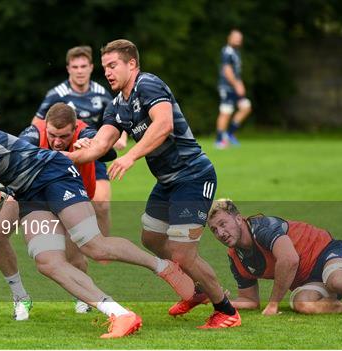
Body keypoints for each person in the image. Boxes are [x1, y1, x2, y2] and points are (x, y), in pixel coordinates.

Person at [0, 111, 196, 338]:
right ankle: (119, 313)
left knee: (93, 245)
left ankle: (163, 266)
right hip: (26, 193)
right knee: (47, 262)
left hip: (53, 173)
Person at [67, 39, 241, 329]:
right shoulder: (117, 106)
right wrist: (66, 155)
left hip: (193, 175)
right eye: (105, 67)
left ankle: (226, 310)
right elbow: (100, 145)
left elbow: (164, 124)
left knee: (183, 253)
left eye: (113, 66)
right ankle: (197, 289)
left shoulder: (148, 85)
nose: (107, 72)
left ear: (132, 64)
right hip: (167, 182)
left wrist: (131, 156)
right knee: (151, 238)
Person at [0, 102, 117, 320]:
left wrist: (92, 146)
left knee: (74, 257)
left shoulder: (85, 132)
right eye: (52, 135)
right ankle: (20, 297)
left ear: (74, 128)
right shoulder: (33, 133)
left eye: (64, 136)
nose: (57, 142)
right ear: (45, 126)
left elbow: (109, 152)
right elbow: (13, 158)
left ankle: (83, 297)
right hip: (31, 194)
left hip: (69, 196)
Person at [33, 45, 126, 238]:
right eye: (75, 67)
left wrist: (122, 137)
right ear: (68, 68)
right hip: (63, 154)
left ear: (91, 67)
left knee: (101, 204)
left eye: (83, 66)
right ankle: (74, 246)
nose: (80, 71)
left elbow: (117, 120)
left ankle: (105, 248)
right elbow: (37, 124)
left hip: (92, 151)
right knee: (66, 204)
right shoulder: (56, 94)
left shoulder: (101, 93)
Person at [207, 199, 342, 314]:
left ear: (238, 219)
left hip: (327, 253)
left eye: (223, 224)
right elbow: (249, 299)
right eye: (214, 230)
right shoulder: (235, 256)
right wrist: (220, 299)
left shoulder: (262, 228)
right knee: (304, 304)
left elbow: (289, 260)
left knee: (337, 282)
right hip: (309, 282)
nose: (220, 233)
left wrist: (273, 304)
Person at [215, 29, 252, 149]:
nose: (238, 40)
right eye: (236, 37)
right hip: (227, 87)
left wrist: (240, 84)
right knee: (226, 111)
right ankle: (219, 140)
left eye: (239, 38)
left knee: (246, 107)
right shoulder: (227, 51)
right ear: (229, 38)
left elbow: (236, 72)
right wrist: (236, 85)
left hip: (235, 86)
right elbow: (227, 70)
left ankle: (229, 133)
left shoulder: (236, 52)